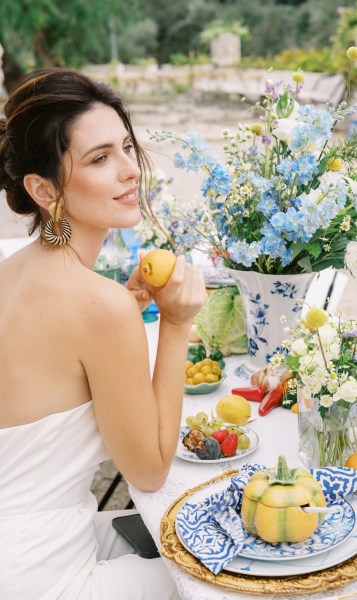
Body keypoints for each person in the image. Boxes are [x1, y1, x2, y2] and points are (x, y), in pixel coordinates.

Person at [0, 68, 205, 600]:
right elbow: (151, 469)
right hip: (43, 576)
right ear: (43, 189)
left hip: (23, 543)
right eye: (100, 158)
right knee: (250, 580)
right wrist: (177, 324)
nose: (130, 170)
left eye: (126, 148)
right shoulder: (99, 306)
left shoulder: (10, 271)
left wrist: (124, 311)